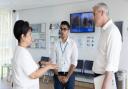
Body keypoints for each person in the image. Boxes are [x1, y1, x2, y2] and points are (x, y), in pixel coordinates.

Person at [12, 20, 58, 89]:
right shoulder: (23, 53)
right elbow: (34, 75)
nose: (31, 38)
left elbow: (29, 68)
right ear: (23, 36)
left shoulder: (18, 50)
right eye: (30, 34)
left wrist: (41, 63)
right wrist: (48, 66)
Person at [92, 2, 122, 89]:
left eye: (94, 14)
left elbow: (111, 65)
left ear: (102, 12)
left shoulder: (112, 32)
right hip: (99, 77)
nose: (93, 18)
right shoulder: (105, 31)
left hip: (105, 78)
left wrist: (104, 86)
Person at [51, 21, 78, 89]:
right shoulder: (55, 43)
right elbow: (53, 61)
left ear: (68, 30)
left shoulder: (73, 43)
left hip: (70, 74)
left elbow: (74, 62)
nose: (62, 31)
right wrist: (58, 75)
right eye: (61, 29)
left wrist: (67, 77)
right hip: (57, 74)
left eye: (64, 29)